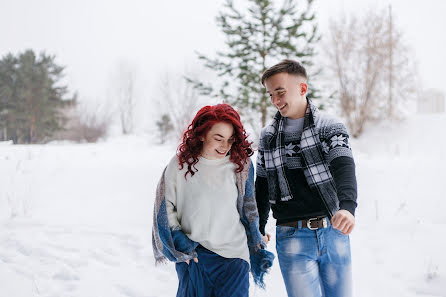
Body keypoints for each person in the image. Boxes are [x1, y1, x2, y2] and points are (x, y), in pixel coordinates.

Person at [255, 59, 358, 297]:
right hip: (292, 237)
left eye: (280, 92)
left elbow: (344, 168)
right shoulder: (268, 137)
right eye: (270, 95)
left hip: (333, 230)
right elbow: (261, 187)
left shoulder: (329, 127)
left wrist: (347, 207)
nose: (275, 101)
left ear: (303, 88)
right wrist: (258, 228)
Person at [152, 103, 274, 297]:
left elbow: (249, 208)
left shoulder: (241, 166)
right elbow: (165, 208)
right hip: (194, 255)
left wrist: (256, 234)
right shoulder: (179, 164)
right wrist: (182, 243)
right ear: (201, 135)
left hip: (235, 256)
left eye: (230, 140)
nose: (225, 146)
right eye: (218, 139)